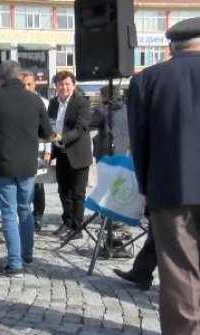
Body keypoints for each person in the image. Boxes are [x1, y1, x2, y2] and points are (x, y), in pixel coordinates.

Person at [127, 17, 200, 334]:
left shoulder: (148, 80)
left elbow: (139, 142)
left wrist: (146, 187)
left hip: (170, 188)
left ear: (171, 46)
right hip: (171, 187)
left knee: (180, 272)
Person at [0, 60, 54, 277]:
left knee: (8, 212)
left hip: (3, 164)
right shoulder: (35, 100)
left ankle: (14, 263)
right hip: (28, 165)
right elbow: (46, 133)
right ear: (19, 77)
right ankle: (27, 254)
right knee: (25, 210)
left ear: (1, 79)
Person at [48, 71, 92, 240]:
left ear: (73, 86)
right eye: (60, 84)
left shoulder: (81, 103)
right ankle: (67, 222)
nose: (63, 87)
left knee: (78, 193)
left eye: (67, 84)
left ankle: (77, 227)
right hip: (60, 153)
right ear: (56, 86)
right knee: (63, 191)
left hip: (78, 153)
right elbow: (49, 123)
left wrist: (62, 138)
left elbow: (81, 128)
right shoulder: (53, 103)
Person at [21, 71, 51, 231]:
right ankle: (25, 216)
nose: (26, 87)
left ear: (35, 85)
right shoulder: (17, 102)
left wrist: (48, 149)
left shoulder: (44, 103)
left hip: (39, 151)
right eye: (23, 84)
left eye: (29, 84)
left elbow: (49, 128)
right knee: (25, 186)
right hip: (22, 152)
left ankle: (38, 216)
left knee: (38, 186)